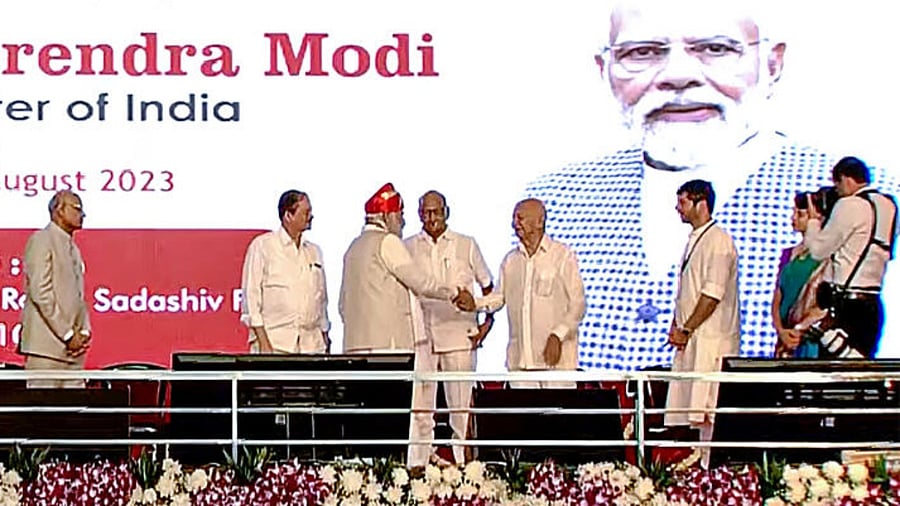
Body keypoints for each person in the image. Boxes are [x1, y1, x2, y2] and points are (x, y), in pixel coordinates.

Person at [523, 0, 900, 370]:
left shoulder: (865, 191)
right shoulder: (556, 196)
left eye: (715, 48)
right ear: (604, 69)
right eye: (642, 52)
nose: (678, 74)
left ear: (772, 62)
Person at [456, 199, 586, 389]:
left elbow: (578, 304)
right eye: (514, 219)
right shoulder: (511, 260)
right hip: (520, 363)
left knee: (558, 418)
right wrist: (474, 303)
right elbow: (499, 298)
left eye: (520, 218)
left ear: (540, 221)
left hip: (557, 363)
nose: (515, 224)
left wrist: (558, 335)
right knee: (523, 418)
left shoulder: (563, 255)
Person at [405, 191, 494, 467]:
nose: (431, 218)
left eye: (436, 211)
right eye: (426, 212)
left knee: (460, 409)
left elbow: (490, 289)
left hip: (459, 335)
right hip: (422, 338)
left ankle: (464, 469)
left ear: (447, 212)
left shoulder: (466, 245)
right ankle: (419, 466)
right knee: (421, 409)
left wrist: (485, 326)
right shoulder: (407, 247)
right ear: (419, 214)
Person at [664, 180, 740, 469]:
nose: (677, 208)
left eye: (682, 202)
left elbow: (712, 295)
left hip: (711, 338)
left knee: (708, 410)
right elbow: (688, 290)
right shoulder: (695, 239)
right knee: (690, 412)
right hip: (692, 337)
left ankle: (711, 473)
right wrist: (676, 326)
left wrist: (686, 329)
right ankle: (696, 472)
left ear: (701, 203)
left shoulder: (718, 240)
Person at [339, 183, 461, 354]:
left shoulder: (353, 248)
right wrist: (454, 293)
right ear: (386, 216)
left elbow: (343, 305)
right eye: (399, 215)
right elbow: (420, 283)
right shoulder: (388, 241)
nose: (403, 222)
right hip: (387, 345)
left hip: (354, 346)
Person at [804, 157, 898, 358]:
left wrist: (813, 223)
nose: (836, 191)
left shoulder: (850, 204)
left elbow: (819, 251)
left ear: (845, 179)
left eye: (837, 185)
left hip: (847, 306)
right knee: (860, 374)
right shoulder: (890, 206)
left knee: (835, 376)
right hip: (872, 305)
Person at [240, 190, 331, 354]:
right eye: (306, 212)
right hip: (276, 345)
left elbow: (321, 299)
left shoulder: (314, 251)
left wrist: (325, 336)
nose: (311, 216)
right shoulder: (263, 246)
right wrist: (263, 343)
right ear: (288, 215)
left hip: (311, 347)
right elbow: (251, 298)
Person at [18, 190, 91, 389]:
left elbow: (79, 296)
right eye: (76, 209)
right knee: (43, 413)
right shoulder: (42, 239)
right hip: (46, 348)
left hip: (73, 352)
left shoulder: (73, 248)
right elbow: (41, 292)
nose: (82, 214)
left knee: (76, 413)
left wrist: (84, 331)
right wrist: (67, 335)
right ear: (59, 210)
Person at [771, 188, 836, 358]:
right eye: (793, 213)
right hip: (785, 340)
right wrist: (781, 331)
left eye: (800, 214)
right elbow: (777, 298)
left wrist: (799, 330)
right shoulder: (788, 254)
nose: (793, 218)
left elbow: (824, 305)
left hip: (811, 338)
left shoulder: (828, 256)